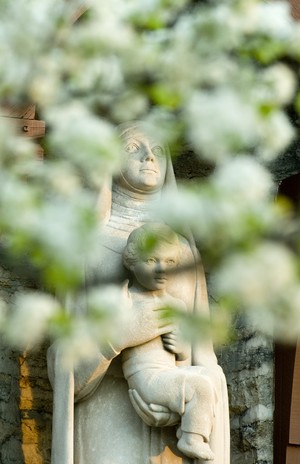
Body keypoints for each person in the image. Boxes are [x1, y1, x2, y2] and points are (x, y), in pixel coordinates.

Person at [47, 121, 230, 464]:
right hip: (110, 410)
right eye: (134, 148)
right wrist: (119, 336)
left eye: (159, 150)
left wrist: (186, 374)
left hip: (174, 421)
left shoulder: (186, 254)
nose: (149, 156)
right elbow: (62, 358)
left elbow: (205, 356)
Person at [122, 222, 216, 461]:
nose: (162, 269)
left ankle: (189, 430)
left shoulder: (176, 306)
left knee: (208, 381)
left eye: (170, 262)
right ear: (131, 262)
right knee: (200, 387)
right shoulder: (126, 301)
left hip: (166, 373)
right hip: (144, 377)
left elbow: (182, 355)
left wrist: (182, 347)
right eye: (152, 261)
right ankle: (191, 438)